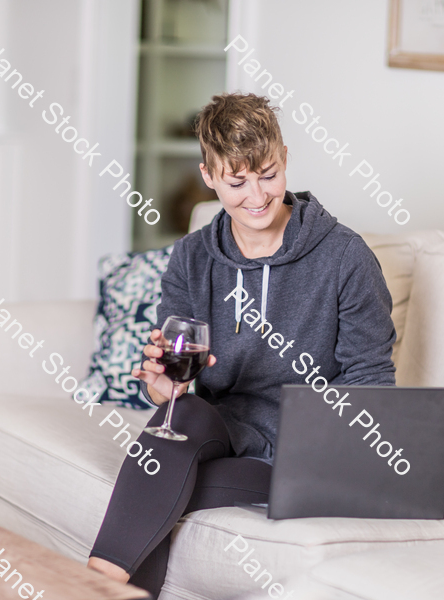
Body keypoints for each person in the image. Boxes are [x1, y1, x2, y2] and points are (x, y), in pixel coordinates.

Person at [87, 92, 396, 597]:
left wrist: (335, 456)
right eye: (237, 181)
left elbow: (371, 378)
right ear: (209, 176)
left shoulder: (346, 258)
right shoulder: (192, 257)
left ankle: (92, 586)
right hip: (220, 428)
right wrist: (166, 390)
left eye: (268, 174)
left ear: (286, 159)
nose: (256, 196)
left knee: (160, 488)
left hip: (303, 453)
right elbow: (178, 374)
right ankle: (97, 586)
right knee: (176, 424)